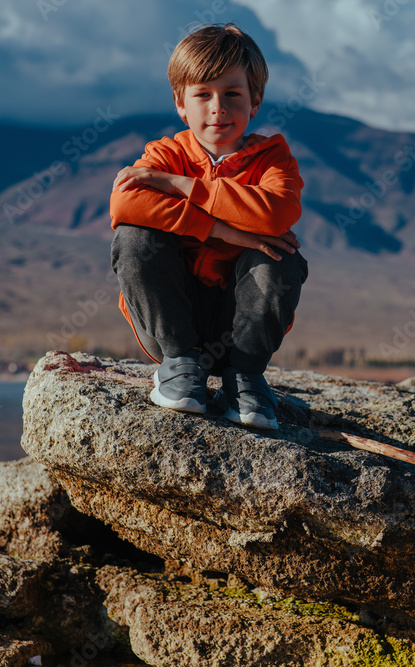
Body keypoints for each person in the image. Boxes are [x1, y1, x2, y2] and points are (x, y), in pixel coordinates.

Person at [109, 23, 308, 431]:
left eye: (232, 93)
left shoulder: (273, 159)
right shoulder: (164, 153)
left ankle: (246, 379)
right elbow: (125, 202)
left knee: (280, 256)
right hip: (169, 328)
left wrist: (181, 186)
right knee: (135, 238)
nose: (218, 107)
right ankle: (180, 369)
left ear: (255, 100)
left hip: (239, 331)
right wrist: (226, 231)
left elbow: (276, 214)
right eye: (203, 94)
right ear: (181, 103)